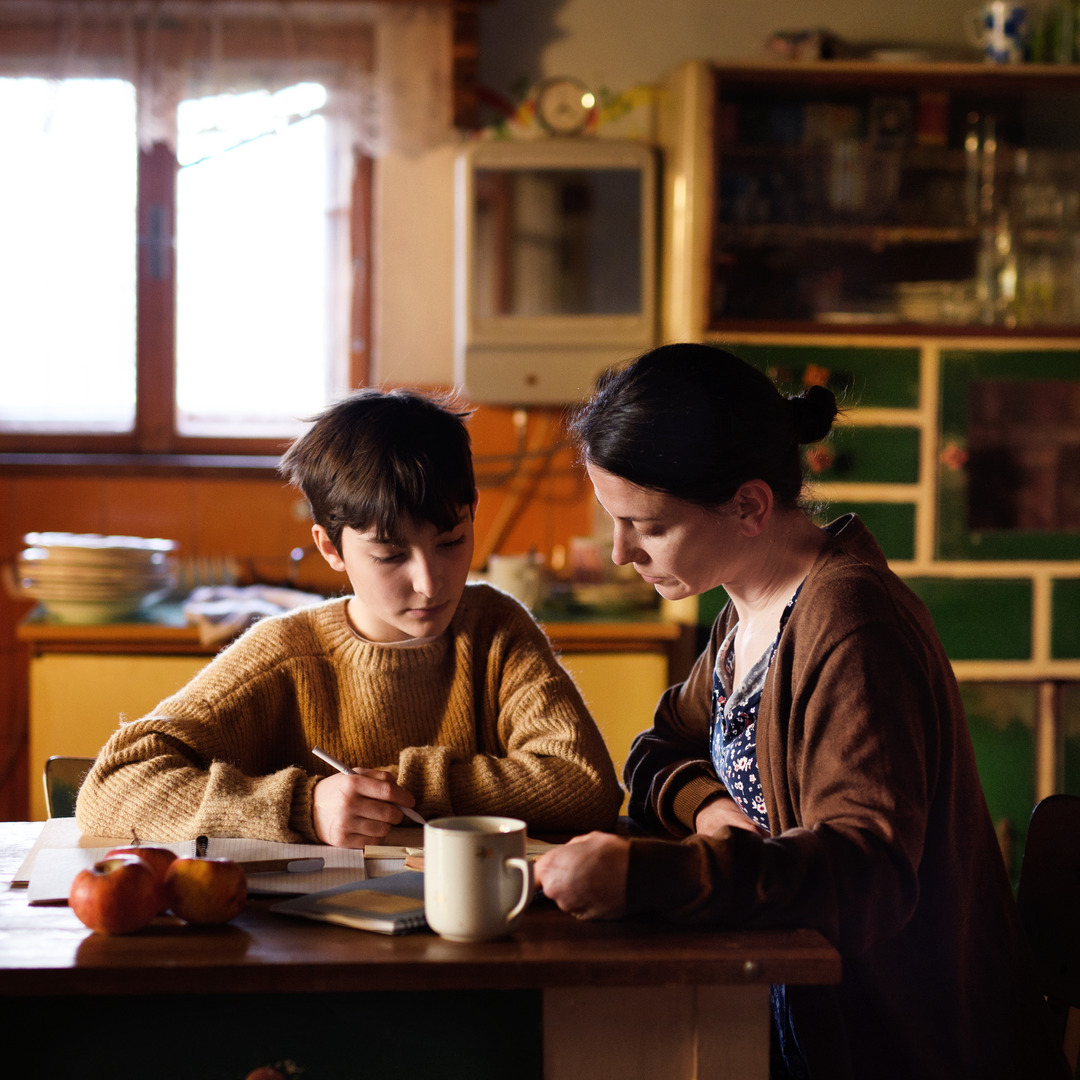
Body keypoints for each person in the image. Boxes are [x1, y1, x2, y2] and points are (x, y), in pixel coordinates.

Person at [533, 344, 1068, 1080]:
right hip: (787, 1018)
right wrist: (712, 811)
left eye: (648, 527)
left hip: (891, 1046)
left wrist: (651, 878)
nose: (621, 551)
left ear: (749, 506)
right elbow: (657, 751)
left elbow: (870, 873)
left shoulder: (849, 625)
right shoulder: (746, 613)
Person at [76, 388, 622, 847]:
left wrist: (397, 788)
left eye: (452, 541)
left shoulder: (495, 629)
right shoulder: (285, 655)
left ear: (473, 509)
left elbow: (586, 786)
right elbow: (112, 787)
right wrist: (303, 808)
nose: (430, 583)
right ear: (330, 547)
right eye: (390, 556)